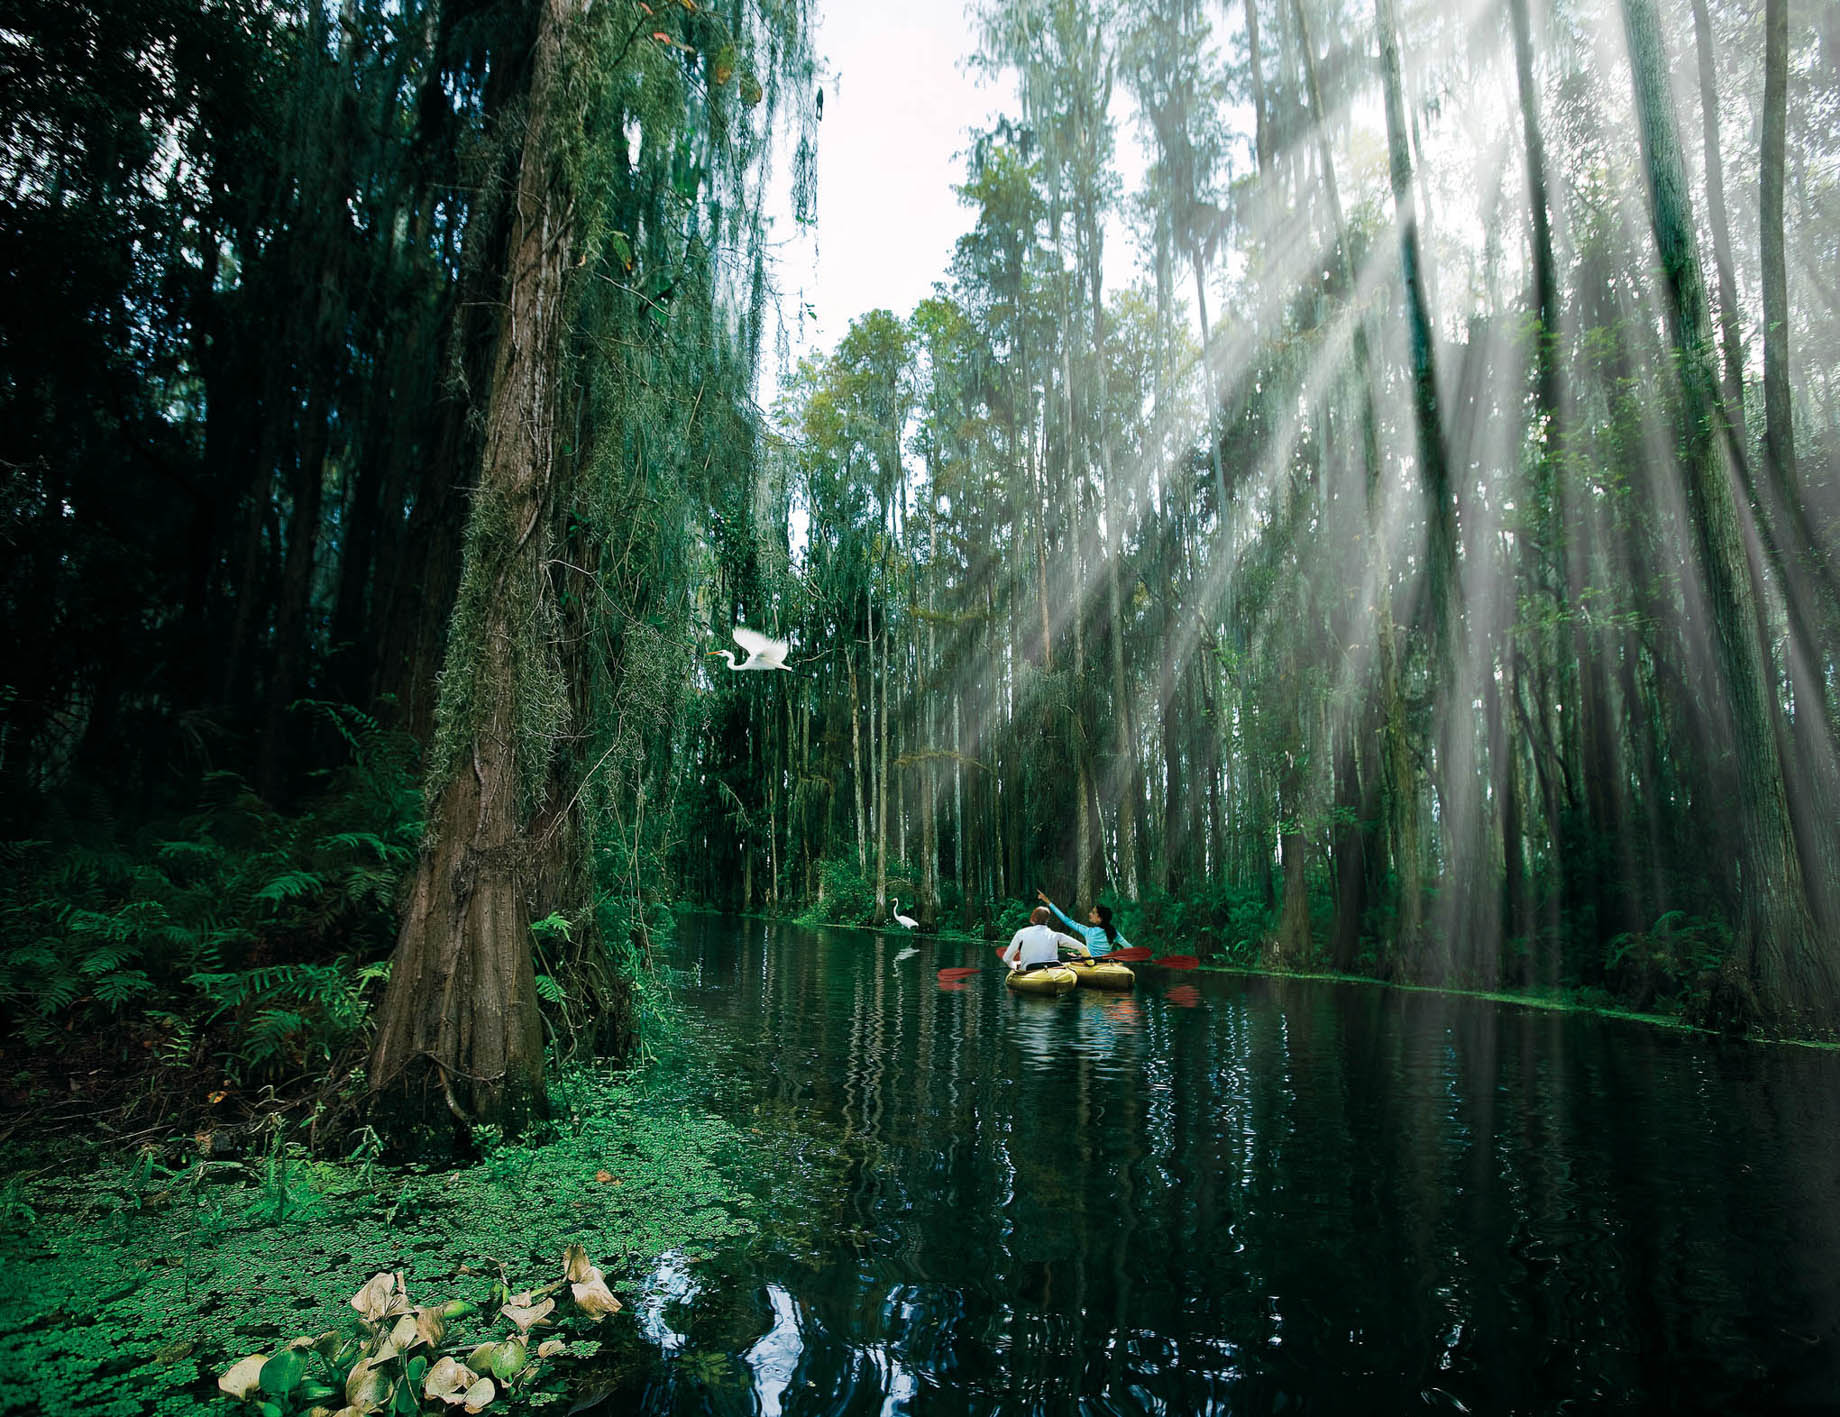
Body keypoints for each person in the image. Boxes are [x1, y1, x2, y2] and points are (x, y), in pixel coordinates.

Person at [1036, 890, 1132, 959]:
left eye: (1093, 912)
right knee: (1074, 955)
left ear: (1100, 918)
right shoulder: (1113, 932)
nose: (1090, 914)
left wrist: (1048, 902)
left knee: (1062, 956)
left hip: (1092, 962)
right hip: (1106, 962)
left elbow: (1066, 920)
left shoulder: (1088, 931)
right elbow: (1129, 948)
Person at [1003, 906, 1091, 972]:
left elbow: (1007, 958)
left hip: (1030, 970)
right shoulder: (1056, 936)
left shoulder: (1021, 933)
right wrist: (1090, 962)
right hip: (1053, 969)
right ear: (1047, 919)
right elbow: (1083, 948)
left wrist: (1013, 965)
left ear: (1033, 918)